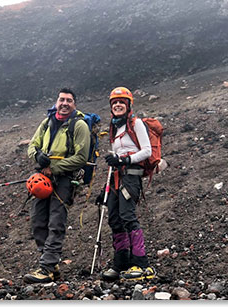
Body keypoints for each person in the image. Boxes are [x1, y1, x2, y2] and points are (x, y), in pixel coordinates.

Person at [24, 88, 91, 283]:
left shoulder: (79, 126)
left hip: (64, 180)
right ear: (56, 102)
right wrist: (37, 156)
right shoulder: (47, 122)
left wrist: (54, 167)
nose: (64, 103)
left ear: (74, 105)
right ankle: (51, 265)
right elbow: (32, 145)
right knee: (37, 221)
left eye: (69, 100)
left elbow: (81, 158)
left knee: (56, 222)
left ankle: (45, 268)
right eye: (61, 99)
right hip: (42, 178)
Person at [98, 86, 155, 281]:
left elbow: (147, 151)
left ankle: (141, 264)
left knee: (127, 216)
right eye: (115, 102)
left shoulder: (136, 123)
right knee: (114, 218)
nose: (118, 105)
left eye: (122, 102)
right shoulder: (115, 127)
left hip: (131, 175)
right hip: (116, 177)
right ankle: (121, 263)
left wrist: (124, 161)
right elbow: (117, 157)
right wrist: (103, 190)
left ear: (129, 104)